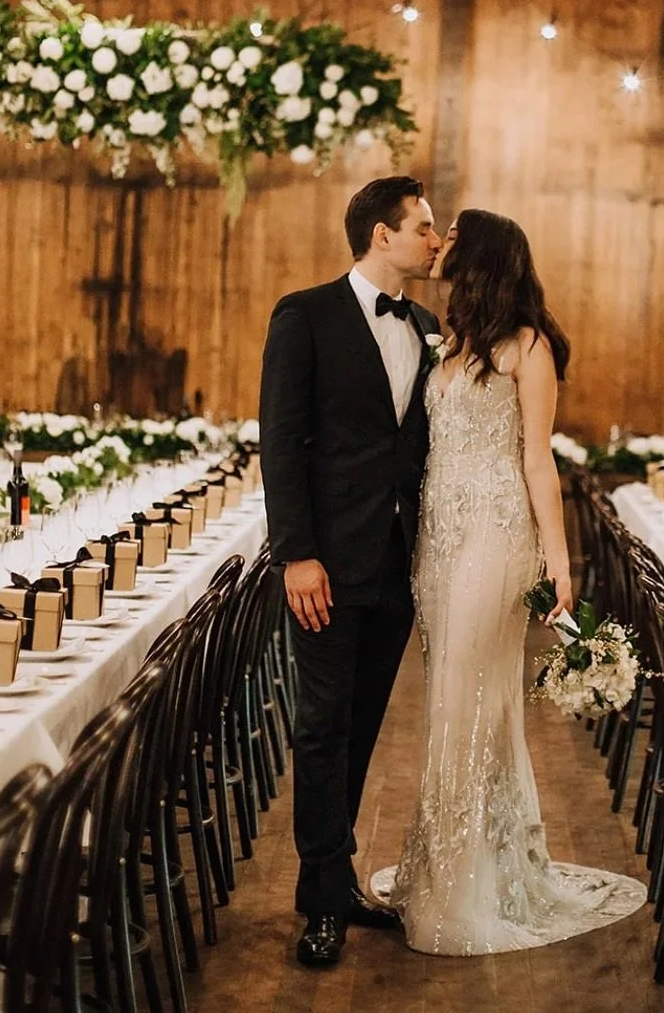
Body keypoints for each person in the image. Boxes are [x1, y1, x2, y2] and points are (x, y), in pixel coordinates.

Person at [371, 209, 646, 955]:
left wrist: (560, 563)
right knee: (457, 701)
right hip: (440, 539)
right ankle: (469, 864)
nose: (441, 243)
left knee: (471, 695)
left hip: (496, 536)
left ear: (483, 253)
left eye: (452, 235)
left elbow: (536, 462)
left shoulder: (528, 346)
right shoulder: (452, 342)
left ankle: (461, 891)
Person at [259, 175, 442, 968]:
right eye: (426, 228)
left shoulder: (428, 325)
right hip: (325, 564)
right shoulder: (304, 315)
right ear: (381, 235)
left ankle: (333, 879)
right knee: (322, 726)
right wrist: (296, 553)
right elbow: (280, 442)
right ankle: (323, 899)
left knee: (362, 723)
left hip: (398, 565)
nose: (438, 241)